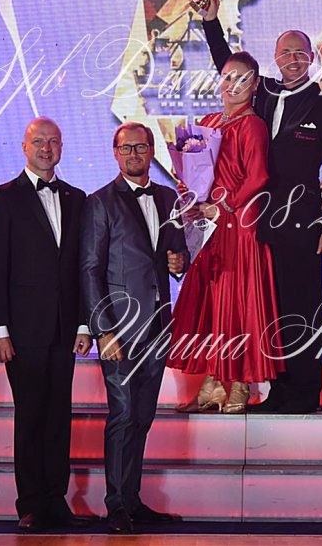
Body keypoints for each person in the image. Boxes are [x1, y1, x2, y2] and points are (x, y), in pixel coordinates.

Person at [199, 0, 322, 414]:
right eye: (286, 53)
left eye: (300, 53)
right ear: (276, 59)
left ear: (312, 58)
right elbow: (227, 65)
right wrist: (211, 22)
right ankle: (278, 392)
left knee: (303, 309)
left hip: (302, 226)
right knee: (270, 310)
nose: (293, 59)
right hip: (258, 224)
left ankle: (304, 394)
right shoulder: (261, 94)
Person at [0, 117, 92, 533]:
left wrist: (84, 324)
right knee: (30, 415)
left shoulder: (77, 198)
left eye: (53, 141)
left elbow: (82, 268)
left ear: (61, 147)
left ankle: (55, 502)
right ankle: (30, 503)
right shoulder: (3, 197)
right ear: (24, 147)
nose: (46, 148)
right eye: (39, 141)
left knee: (59, 416)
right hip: (23, 331)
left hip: (65, 329)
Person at [80, 122, 189, 533]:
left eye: (140, 147)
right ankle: (115, 506)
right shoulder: (100, 202)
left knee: (143, 415)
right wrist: (103, 331)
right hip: (120, 330)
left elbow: (177, 254)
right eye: (125, 148)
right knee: (123, 414)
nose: (133, 155)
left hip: (158, 325)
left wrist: (179, 262)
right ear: (115, 153)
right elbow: (90, 270)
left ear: (151, 150)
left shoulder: (167, 197)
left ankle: (132, 500)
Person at [167, 51, 284, 414]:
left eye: (243, 79)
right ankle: (214, 380)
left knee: (237, 304)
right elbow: (191, 172)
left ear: (255, 85)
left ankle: (239, 383)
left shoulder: (253, 126)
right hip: (209, 227)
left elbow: (258, 177)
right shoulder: (208, 123)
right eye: (228, 77)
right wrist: (189, 195)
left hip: (239, 225)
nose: (234, 85)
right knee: (211, 303)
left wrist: (223, 205)